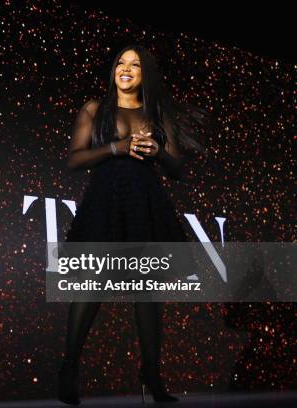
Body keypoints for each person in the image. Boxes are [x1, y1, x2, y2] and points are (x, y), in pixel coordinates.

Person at [57, 45, 208, 405]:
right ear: (113, 70)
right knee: (90, 287)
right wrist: (118, 148)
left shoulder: (156, 112)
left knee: (148, 293)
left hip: (144, 202)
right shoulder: (95, 109)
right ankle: (69, 370)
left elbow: (178, 170)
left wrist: (159, 153)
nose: (126, 69)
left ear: (145, 74)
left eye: (135, 64)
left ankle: (152, 375)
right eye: (121, 63)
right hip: (106, 202)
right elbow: (75, 160)